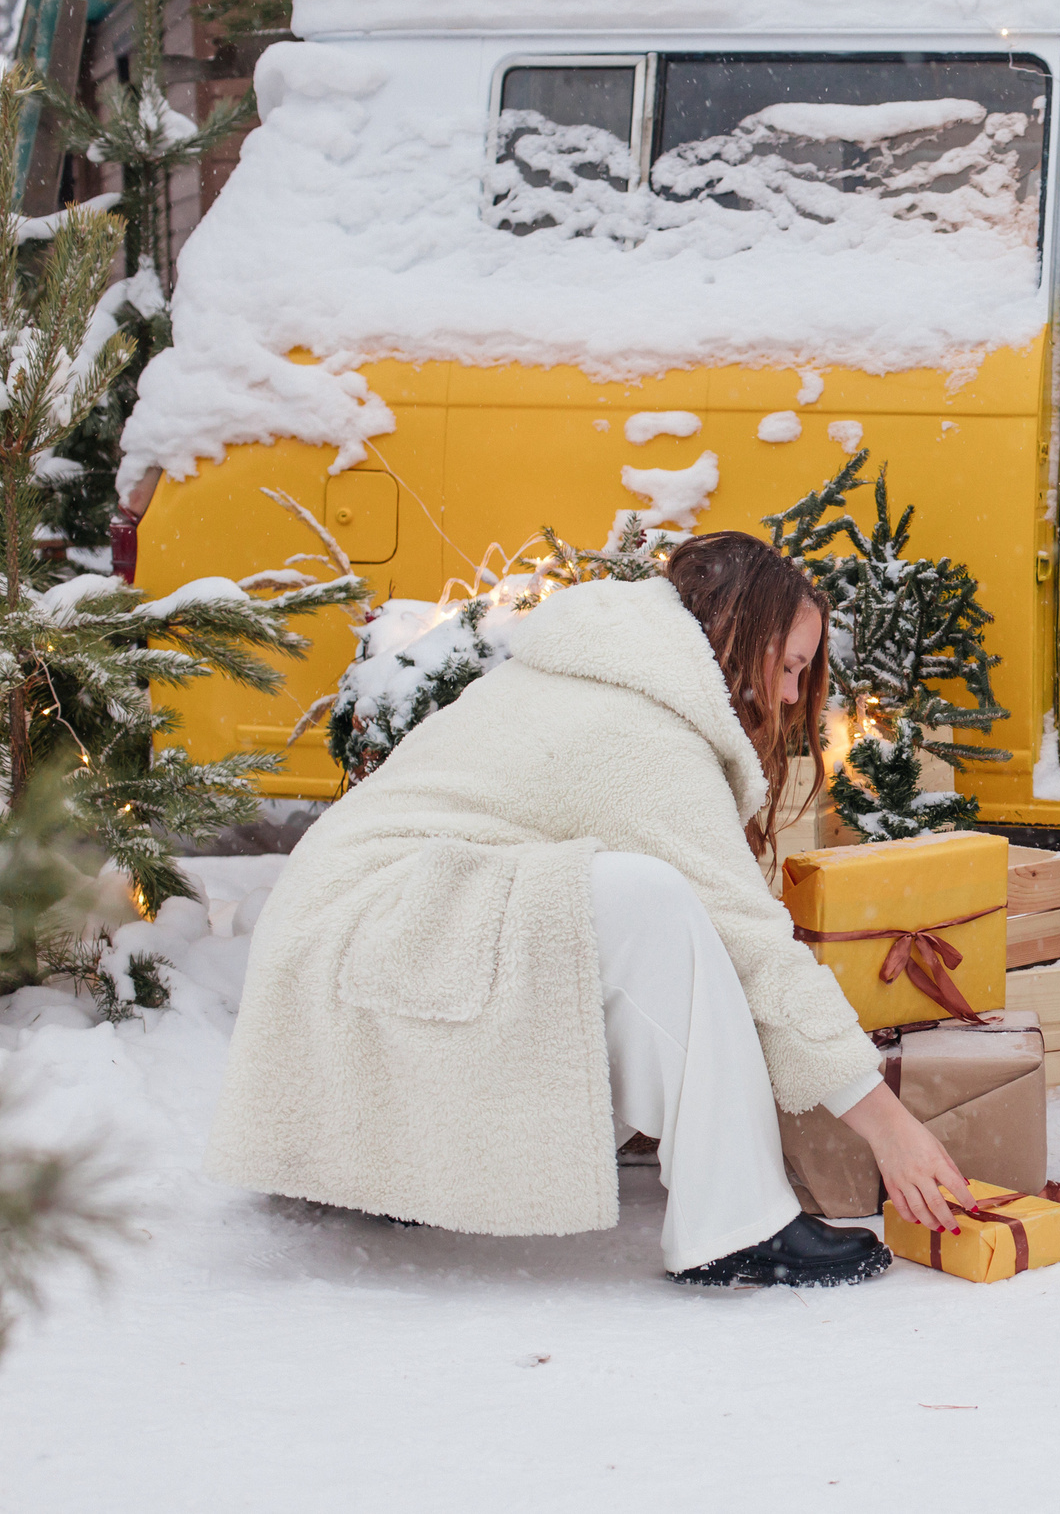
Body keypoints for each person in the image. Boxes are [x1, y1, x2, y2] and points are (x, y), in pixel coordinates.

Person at [207, 532, 973, 1287]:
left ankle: (405, 1161)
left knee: (626, 909)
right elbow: (753, 946)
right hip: (373, 932)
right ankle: (739, 1224)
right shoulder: (640, 730)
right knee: (653, 902)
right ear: (745, 639)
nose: (793, 697)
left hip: (358, 940)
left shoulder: (608, 671)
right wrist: (890, 1127)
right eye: (793, 667)